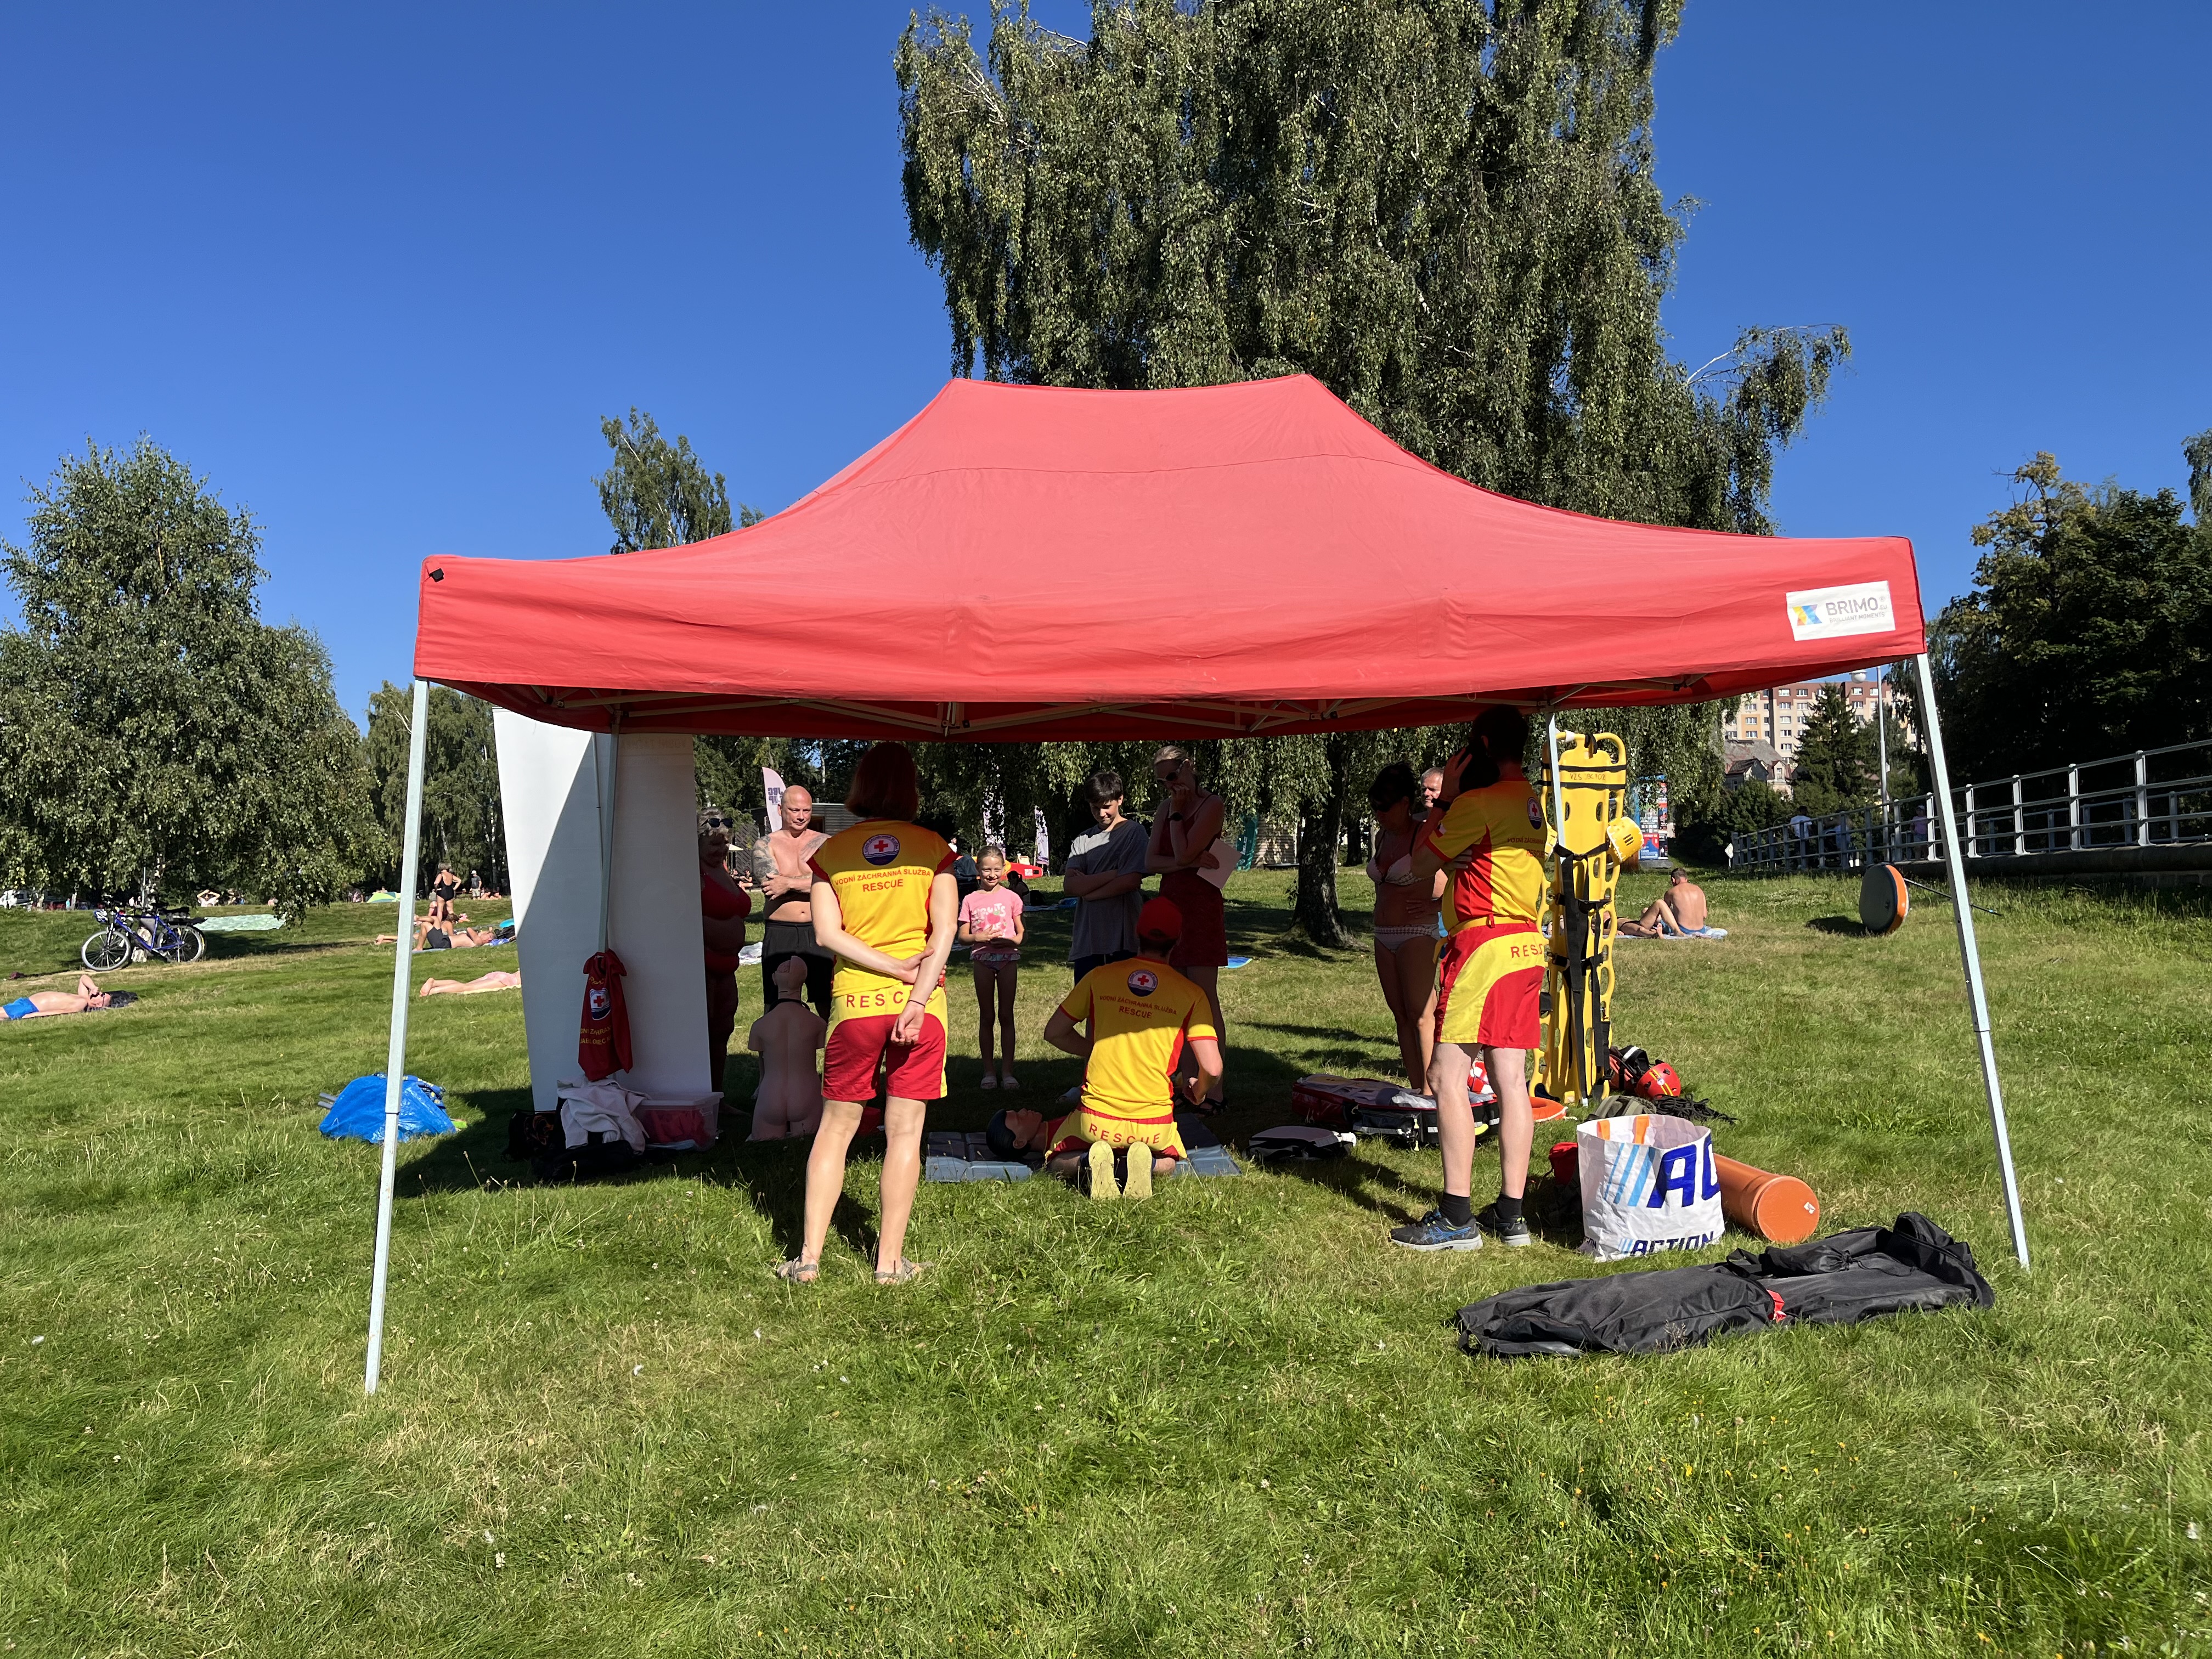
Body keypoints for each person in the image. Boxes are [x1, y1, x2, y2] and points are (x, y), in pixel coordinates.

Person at [785, 741, 959, 1286]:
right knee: (904, 1134)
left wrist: (888, 967)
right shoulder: (933, 849)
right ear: (911, 788)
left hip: (855, 1005)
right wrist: (915, 994)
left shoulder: (830, 854)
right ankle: (888, 1265)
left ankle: (808, 1259)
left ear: (859, 786)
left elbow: (826, 934)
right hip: (922, 1009)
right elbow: (945, 933)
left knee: (836, 1129)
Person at [1392, 705, 1548, 1252]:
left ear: (1479, 745)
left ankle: (1456, 1216)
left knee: (1446, 1074)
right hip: (1526, 945)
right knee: (1511, 1078)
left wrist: (1446, 802)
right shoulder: (1531, 802)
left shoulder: (1476, 804)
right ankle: (1511, 1214)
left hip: (1484, 947)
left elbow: (1417, 865)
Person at [1040, 897, 1221, 1200]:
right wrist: (1199, 1091)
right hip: (1153, 1124)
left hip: (1096, 1119)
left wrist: (1094, 1050)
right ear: (1178, 939)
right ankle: (1145, 1165)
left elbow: (1054, 1032)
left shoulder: (1099, 977)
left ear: (1137, 933)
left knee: (1054, 1159)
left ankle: (1088, 1163)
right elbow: (1213, 1068)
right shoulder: (1193, 994)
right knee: (1170, 1161)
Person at [1145, 744, 1229, 1111]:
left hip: (1201, 906)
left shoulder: (1211, 805)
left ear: (1188, 766)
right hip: (1172, 905)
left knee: (1204, 998)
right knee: (1176, 999)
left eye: (1172, 775)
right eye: (1162, 780)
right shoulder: (1165, 808)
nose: (1169, 785)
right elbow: (1151, 861)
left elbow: (1178, 853)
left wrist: (1179, 817)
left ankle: (1214, 1090)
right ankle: (1186, 1084)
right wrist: (1190, 862)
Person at [1364, 761, 1445, 1090]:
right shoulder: (1382, 836)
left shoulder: (1422, 833)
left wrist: (1438, 905)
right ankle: (1417, 1088)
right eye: (1375, 808)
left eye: (1384, 808)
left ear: (1404, 803)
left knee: (1422, 1015)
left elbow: (1460, 872)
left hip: (1417, 933)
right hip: (1384, 934)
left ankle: (1433, 1092)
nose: (1379, 814)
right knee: (1400, 1015)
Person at [752, 785, 834, 1018]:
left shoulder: (826, 843)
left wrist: (788, 883)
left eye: (806, 811)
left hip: (820, 930)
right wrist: (817, 883)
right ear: (780, 810)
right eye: (795, 810)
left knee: (828, 1003)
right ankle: (772, 1043)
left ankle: (832, 1044)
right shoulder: (766, 844)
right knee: (776, 1004)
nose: (801, 816)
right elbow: (771, 887)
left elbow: (837, 883)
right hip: (781, 932)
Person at [957, 847, 1025, 1091]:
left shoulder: (1012, 898)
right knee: (987, 1016)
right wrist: (979, 937)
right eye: (986, 869)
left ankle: (1007, 1072)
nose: (992, 874)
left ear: (1004, 869)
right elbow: (963, 936)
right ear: (978, 870)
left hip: (1008, 959)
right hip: (982, 959)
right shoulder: (970, 899)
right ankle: (988, 1071)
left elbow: (1021, 933)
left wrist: (1011, 941)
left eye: (997, 869)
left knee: (1006, 1016)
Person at [700, 810, 752, 1095]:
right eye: (713, 844)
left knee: (722, 1031)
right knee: (704, 1033)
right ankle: (702, 1097)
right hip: (704, 966)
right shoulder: (691, 872)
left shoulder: (720, 869)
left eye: (723, 844)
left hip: (727, 965)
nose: (720, 850)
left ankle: (718, 1096)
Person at [747, 955, 826, 1139]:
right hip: (807, 1094)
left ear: (774, 980)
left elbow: (762, 1063)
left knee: (763, 1143)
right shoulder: (817, 1023)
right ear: (804, 981)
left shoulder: (760, 1026)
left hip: (770, 1095)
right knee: (807, 1141)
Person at [1618, 869, 1711, 938]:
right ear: (1686, 879)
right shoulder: (1699, 890)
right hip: (1701, 929)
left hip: (1683, 929)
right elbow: (1704, 915)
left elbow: (1664, 914)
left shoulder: (1672, 892)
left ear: (1673, 880)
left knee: (1651, 908)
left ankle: (1677, 931)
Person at [5, 975, 137, 1018]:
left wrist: (31, 1015)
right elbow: (83, 978)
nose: (99, 993)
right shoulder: (83, 997)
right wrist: (93, 987)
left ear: (98, 1005)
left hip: (29, 1008)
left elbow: (58, 1012)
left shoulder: (81, 1004)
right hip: (26, 1003)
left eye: (102, 995)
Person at [420, 969, 520, 996]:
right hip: (506, 980)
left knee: (467, 985)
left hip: (501, 975)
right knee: (468, 988)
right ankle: (435, 991)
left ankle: (435, 983)